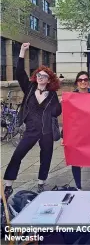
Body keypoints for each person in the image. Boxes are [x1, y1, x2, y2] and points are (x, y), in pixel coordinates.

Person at [3, 43, 61, 198]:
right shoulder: (29, 88)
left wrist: (53, 102)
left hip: (46, 131)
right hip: (31, 130)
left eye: (44, 76)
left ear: (49, 80)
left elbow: (58, 112)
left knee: (46, 156)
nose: (41, 78)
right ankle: (8, 185)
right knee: (17, 155)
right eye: (39, 75)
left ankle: (41, 182)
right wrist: (22, 52)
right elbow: (20, 72)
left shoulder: (52, 94)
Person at [61, 71, 90, 191]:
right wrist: (64, 136)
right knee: (75, 159)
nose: (83, 82)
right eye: (80, 80)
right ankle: (78, 186)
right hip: (77, 133)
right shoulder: (71, 97)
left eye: (85, 80)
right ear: (77, 82)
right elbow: (67, 119)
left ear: (88, 82)